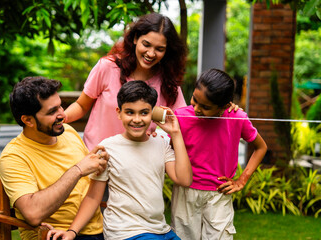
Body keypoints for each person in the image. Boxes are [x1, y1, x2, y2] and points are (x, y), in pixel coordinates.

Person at [47, 80, 193, 240]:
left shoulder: (161, 144)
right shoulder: (107, 148)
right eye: (130, 112)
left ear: (153, 113)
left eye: (144, 113)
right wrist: (72, 231)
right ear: (119, 112)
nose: (137, 119)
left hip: (160, 230)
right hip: (126, 231)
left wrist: (176, 133)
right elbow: (93, 197)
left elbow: (184, 179)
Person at [0, 76, 109, 240]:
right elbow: (33, 214)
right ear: (28, 120)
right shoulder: (14, 156)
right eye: (52, 111)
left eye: (60, 107)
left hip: (97, 229)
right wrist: (78, 170)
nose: (62, 115)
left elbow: (91, 184)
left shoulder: (68, 132)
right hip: (54, 235)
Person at [64, 12, 188, 150]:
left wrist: (160, 139)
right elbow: (81, 106)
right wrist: (61, 118)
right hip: (96, 157)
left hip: (136, 163)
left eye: (159, 49)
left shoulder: (168, 82)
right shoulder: (108, 67)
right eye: (146, 44)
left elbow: (183, 124)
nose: (151, 53)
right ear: (135, 38)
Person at [171, 69, 268, 240]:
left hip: (219, 195)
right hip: (185, 193)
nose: (197, 109)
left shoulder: (236, 117)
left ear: (224, 105)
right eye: (195, 100)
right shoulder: (180, 117)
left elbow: (261, 147)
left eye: (206, 107)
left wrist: (242, 180)